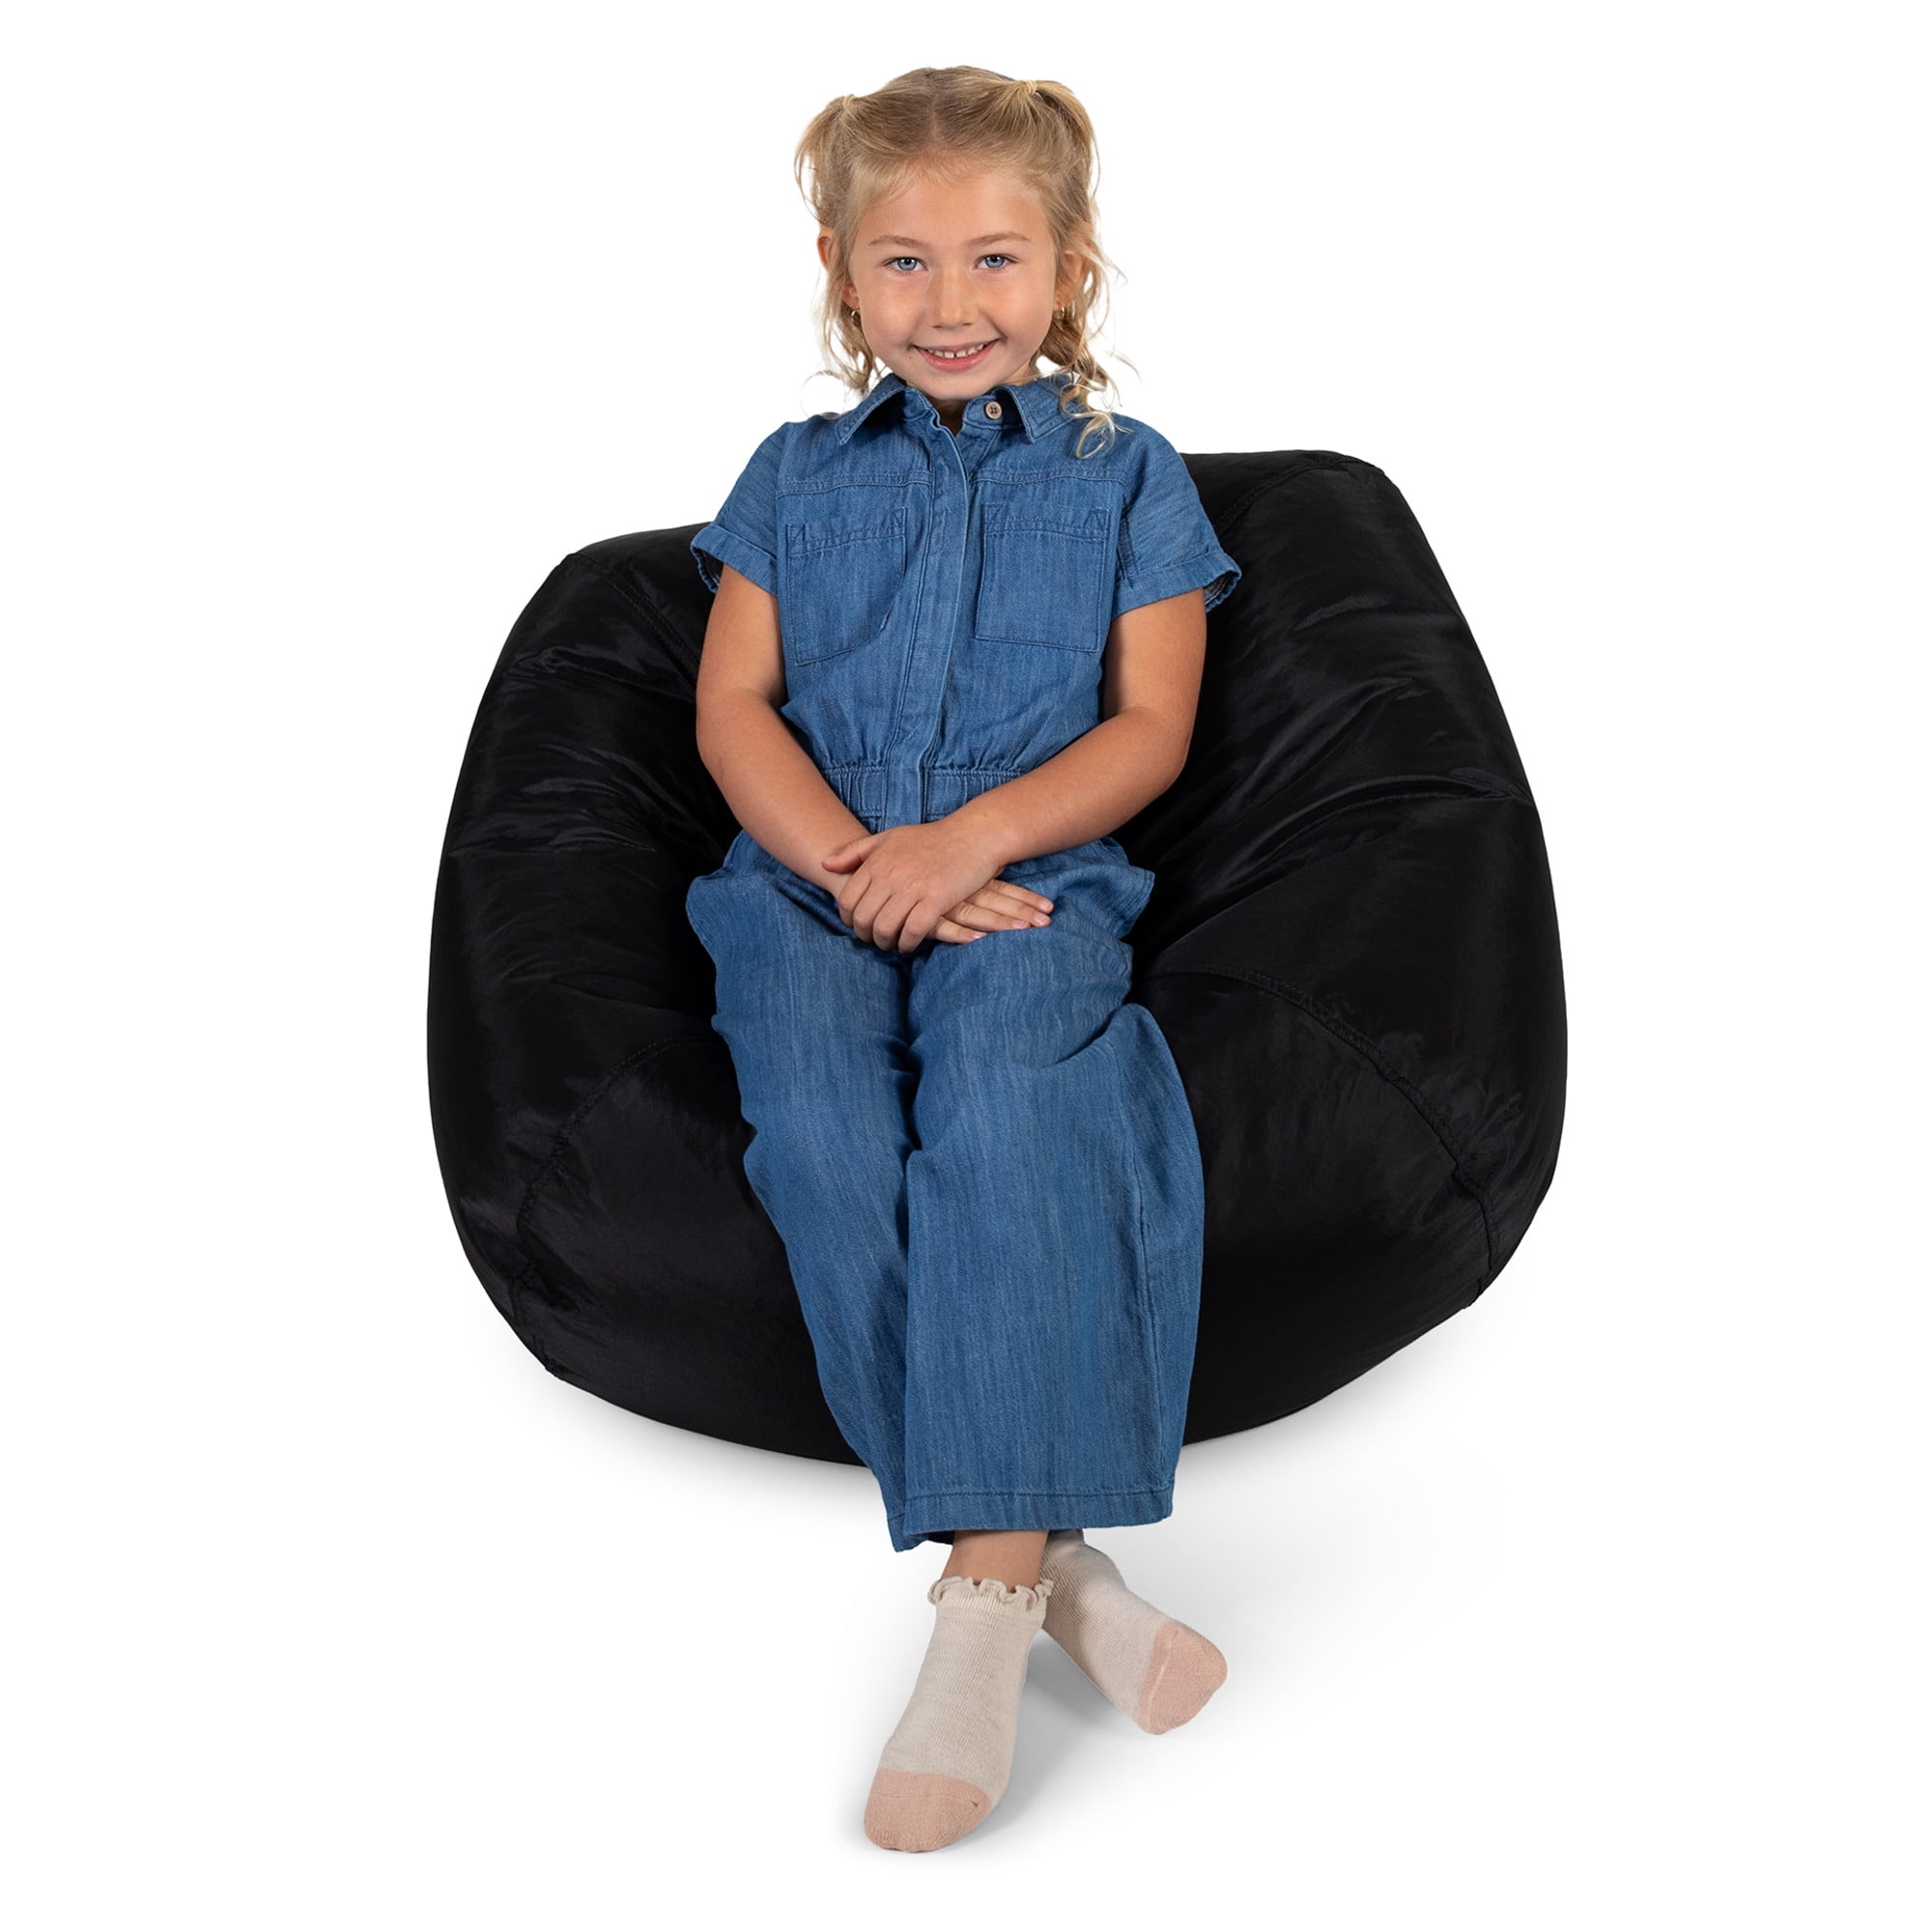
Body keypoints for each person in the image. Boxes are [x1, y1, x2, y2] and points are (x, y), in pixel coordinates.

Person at [683, 66, 1242, 1853]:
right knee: (824, 1140)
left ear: (1070, 268)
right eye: (904, 261)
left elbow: (1149, 728)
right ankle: (1064, 1572)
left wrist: (969, 847)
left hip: (1033, 881)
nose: (950, 303)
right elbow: (733, 707)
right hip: (807, 884)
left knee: (1011, 1108)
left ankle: (985, 1605)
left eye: (995, 259)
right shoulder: (790, 477)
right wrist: (859, 866)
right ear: (840, 271)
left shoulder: (1126, 479)